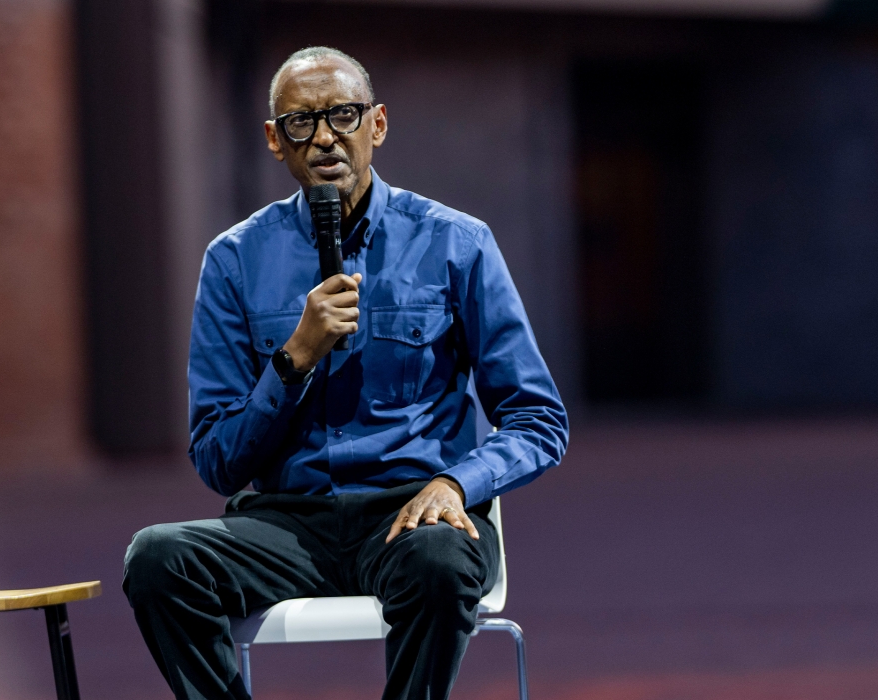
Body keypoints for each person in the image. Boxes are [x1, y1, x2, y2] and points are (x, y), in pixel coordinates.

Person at [123, 46, 569, 700]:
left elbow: (539, 419)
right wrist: (293, 358)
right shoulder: (234, 261)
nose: (325, 136)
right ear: (276, 141)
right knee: (157, 559)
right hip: (285, 524)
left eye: (344, 115)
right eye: (302, 123)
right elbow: (218, 460)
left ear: (378, 125)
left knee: (441, 563)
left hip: (410, 517)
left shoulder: (456, 243)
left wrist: (456, 482)